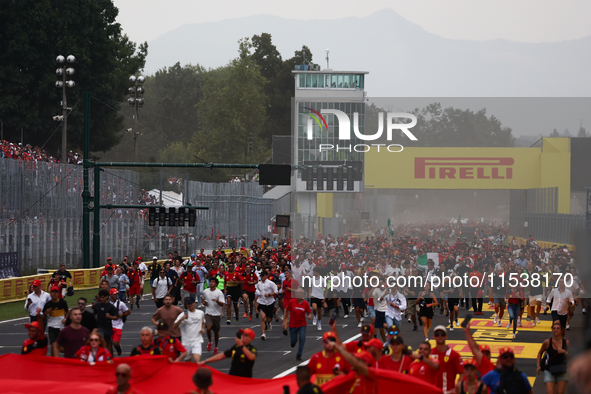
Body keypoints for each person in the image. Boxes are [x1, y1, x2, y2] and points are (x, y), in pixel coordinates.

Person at [536, 320, 569, 394]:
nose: (556, 330)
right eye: (554, 328)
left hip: (562, 370)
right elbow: (540, 353)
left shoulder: (566, 343)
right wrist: (538, 365)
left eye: (558, 328)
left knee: (560, 392)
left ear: (561, 331)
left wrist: (564, 352)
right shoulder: (547, 342)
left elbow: (572, 356)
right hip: (549, 370)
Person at [430, 325, 463, 394]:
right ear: (434, 337)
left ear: (446, 336)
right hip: (432, 390)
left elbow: (463, 372)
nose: (440, 336)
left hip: (448, 391)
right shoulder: (429, 354)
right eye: (437, 334)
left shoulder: (454, 355)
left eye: (442, 334)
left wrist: (457, 386)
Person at [174, 296, 206, 362]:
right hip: (186, 342)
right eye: (188, 304)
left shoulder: (200, 313)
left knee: (197, 361)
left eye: (190, 303)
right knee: (188, 363)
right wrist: (182, 319)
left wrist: (202, 328)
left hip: (197, 341)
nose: (189, 305)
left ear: (194, 303)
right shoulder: (183, 314)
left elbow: (203, 322)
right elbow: (174, 326)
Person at [42, 286, 69, 357]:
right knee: (53, 345)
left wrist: (65, 319)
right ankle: (54, 361)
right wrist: (45, 313)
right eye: (53, 292)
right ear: (50, 293)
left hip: (61, 327)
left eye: (56, 292)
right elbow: (43, 318)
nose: (54, 293)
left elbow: (68, 312)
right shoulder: (47, 304)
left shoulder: (63, 302)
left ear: (58, 293)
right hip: (52, 327)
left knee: (61, 349)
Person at [287, 287, 312, 361]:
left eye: (300, 293)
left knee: (302, 338)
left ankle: (299, 354)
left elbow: (309, 312)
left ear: (303, 294)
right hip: (293, 324)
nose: (298, 295)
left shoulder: (305, 303)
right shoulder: (292, 302)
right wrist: (285, 321)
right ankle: (293, 342)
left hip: (302, 324)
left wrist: (309, 316)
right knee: (293, 341)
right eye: (297, 293)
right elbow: (287, 311)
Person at [202, 277, 225, 354]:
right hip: (208, 313)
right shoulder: (205, 291)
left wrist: (217, 301)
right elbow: (202, 298)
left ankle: (216, 346)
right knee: (208, 328)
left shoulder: (219, 293)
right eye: (210, 281)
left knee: (216, 332)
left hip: (217, 314)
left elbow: (222, 304)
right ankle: (209, 342)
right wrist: (204, 303)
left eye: (213, 282)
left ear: (216, 284)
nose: (211, 283)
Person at [256, 270, 278, 340]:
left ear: (266, 276)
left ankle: (269, 323)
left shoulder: (270, 283)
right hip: (261, 302)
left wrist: (269, 295)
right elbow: (257, 290)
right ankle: (263, 334)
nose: (261, 277)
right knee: (262, 317)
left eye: (262, 276)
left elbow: (276, 291)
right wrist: (257, 293)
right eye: (260, 276)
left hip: (269, 302)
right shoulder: (259, 284)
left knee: (268, 319)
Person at [109, 287, 131, 356]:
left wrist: (122, 315)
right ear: (110, 295)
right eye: (115, 294)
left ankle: (118, 347)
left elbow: (128, 311)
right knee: (109, 344)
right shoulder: (107, 304)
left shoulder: (121, 303)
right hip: (108, 326)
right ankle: (110, 358)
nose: (116, 295)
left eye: (117, 294)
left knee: (115, 343)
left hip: (118, 325)